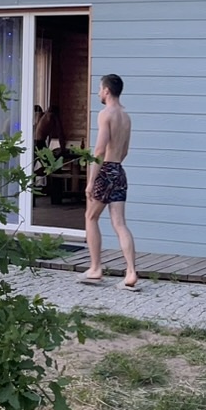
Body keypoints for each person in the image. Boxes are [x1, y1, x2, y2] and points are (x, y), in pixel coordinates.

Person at [80, 73, 138, 289]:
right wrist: (114, 166)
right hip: (119, 171)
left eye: (99, 89)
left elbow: (99, 150)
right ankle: (131, 271)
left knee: (90, 216)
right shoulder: (126, 116)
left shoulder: (106, 114)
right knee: (120, 223)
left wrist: (91, 180)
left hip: (105, 170)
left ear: (106, 90)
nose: (98, 93)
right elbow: (124, 151)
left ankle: (95, 268)